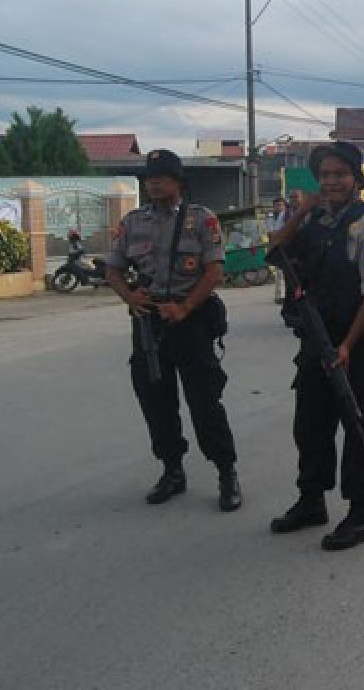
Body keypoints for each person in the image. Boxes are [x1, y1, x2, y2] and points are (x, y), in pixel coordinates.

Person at [267, 141, 364, 551]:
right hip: (315, 339)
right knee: (310, 424)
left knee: (356, 425)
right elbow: (273, 250)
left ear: (356, 179)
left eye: (339, 174)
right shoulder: (314, 222)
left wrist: (346, 345)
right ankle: (311, 501)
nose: (331, 181)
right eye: (324, 175)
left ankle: (361, 514)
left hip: (354, 341)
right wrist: (302, 209)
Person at [104, 149, 241, 512]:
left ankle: (226, 472)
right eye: (149, 176)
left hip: (190, 320)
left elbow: (214, 272)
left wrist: (185, 307)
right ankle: (172, 469)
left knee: (204, 402)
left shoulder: (201, 219)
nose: (153, 182)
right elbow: (113, 269)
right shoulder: (133, 222)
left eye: (161, 176)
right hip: (149, 323)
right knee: (155, 400)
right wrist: (130, 298)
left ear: (178, 182)